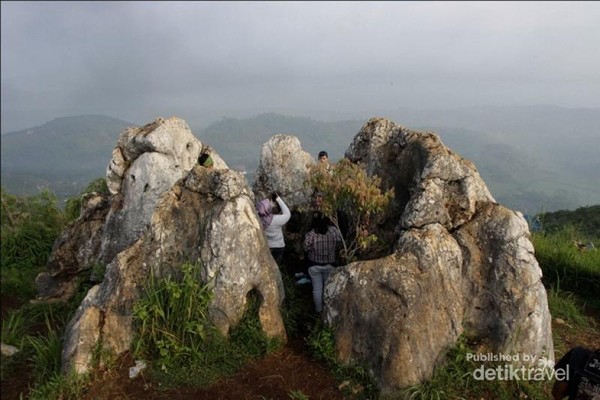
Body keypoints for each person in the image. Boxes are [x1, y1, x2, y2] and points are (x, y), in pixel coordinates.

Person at [304, 215, 342, 313]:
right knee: (328, 288)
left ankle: (318, 311)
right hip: (330, 265)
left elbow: (305, 248)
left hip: (314, 265)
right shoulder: (333, 231)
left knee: (317, 289)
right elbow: (339, 244)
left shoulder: (311, 234)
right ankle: (328, 311)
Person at [257, 193, 291, 264]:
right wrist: (278, 199)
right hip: (278, 247)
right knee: (274, 264)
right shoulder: (275, 220)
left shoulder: (258, 220)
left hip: (267, 247)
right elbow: (288, 214)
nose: (271, 204)